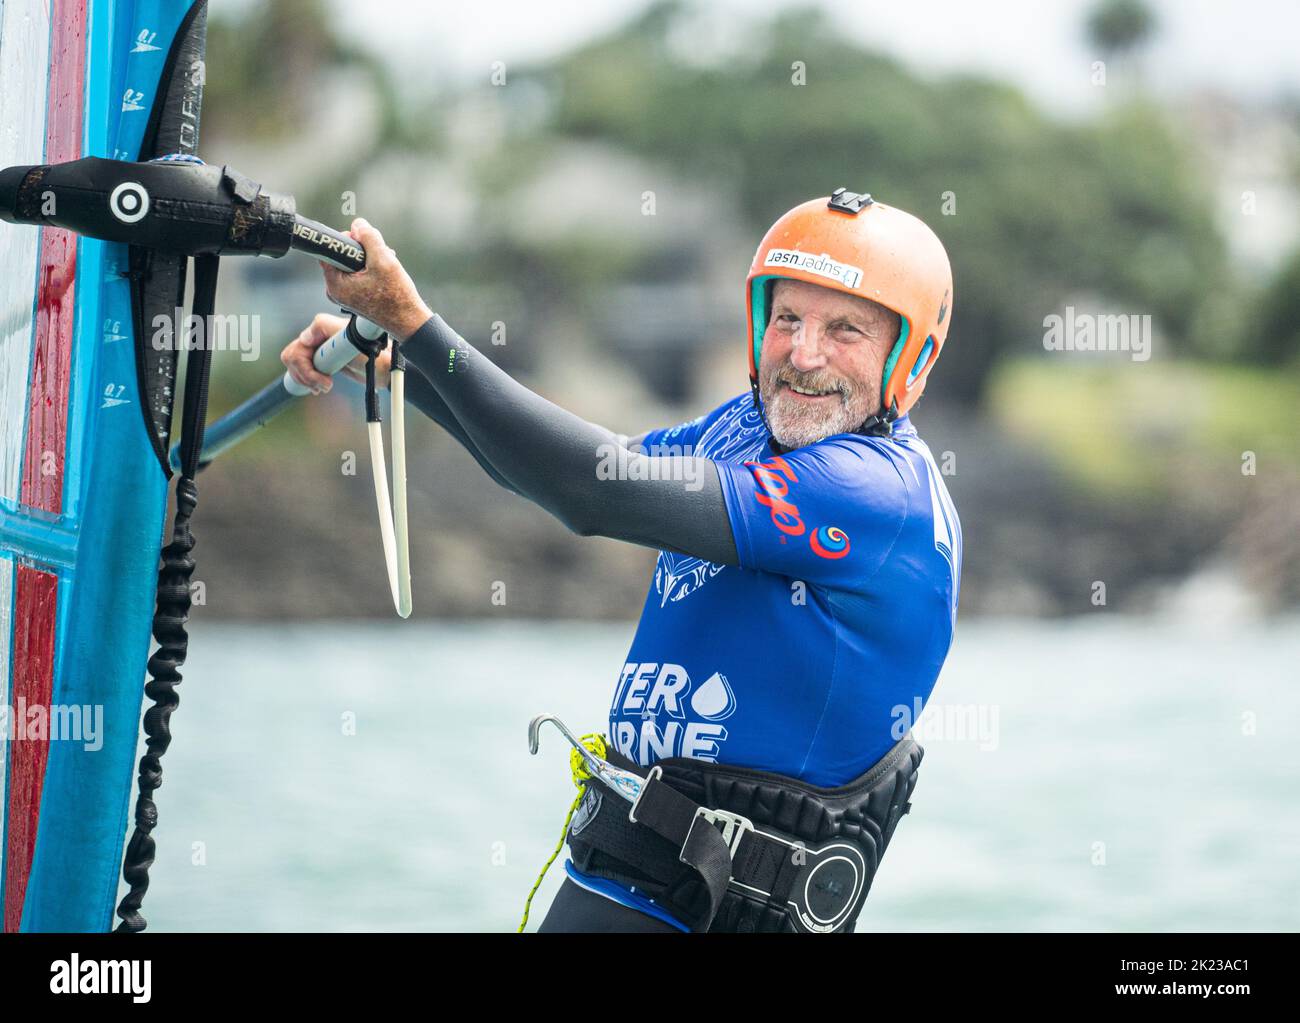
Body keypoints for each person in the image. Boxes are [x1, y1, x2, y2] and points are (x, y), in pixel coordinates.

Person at [281, 188, 962, 933]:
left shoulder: (878, 494)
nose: (803, 353)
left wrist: (415, 324)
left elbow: (593, 492)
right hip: (613, 885)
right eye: (787, 318)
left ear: (913, 357)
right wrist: (405, 369)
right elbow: (576, 466)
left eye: (845, 331)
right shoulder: (743, 427)